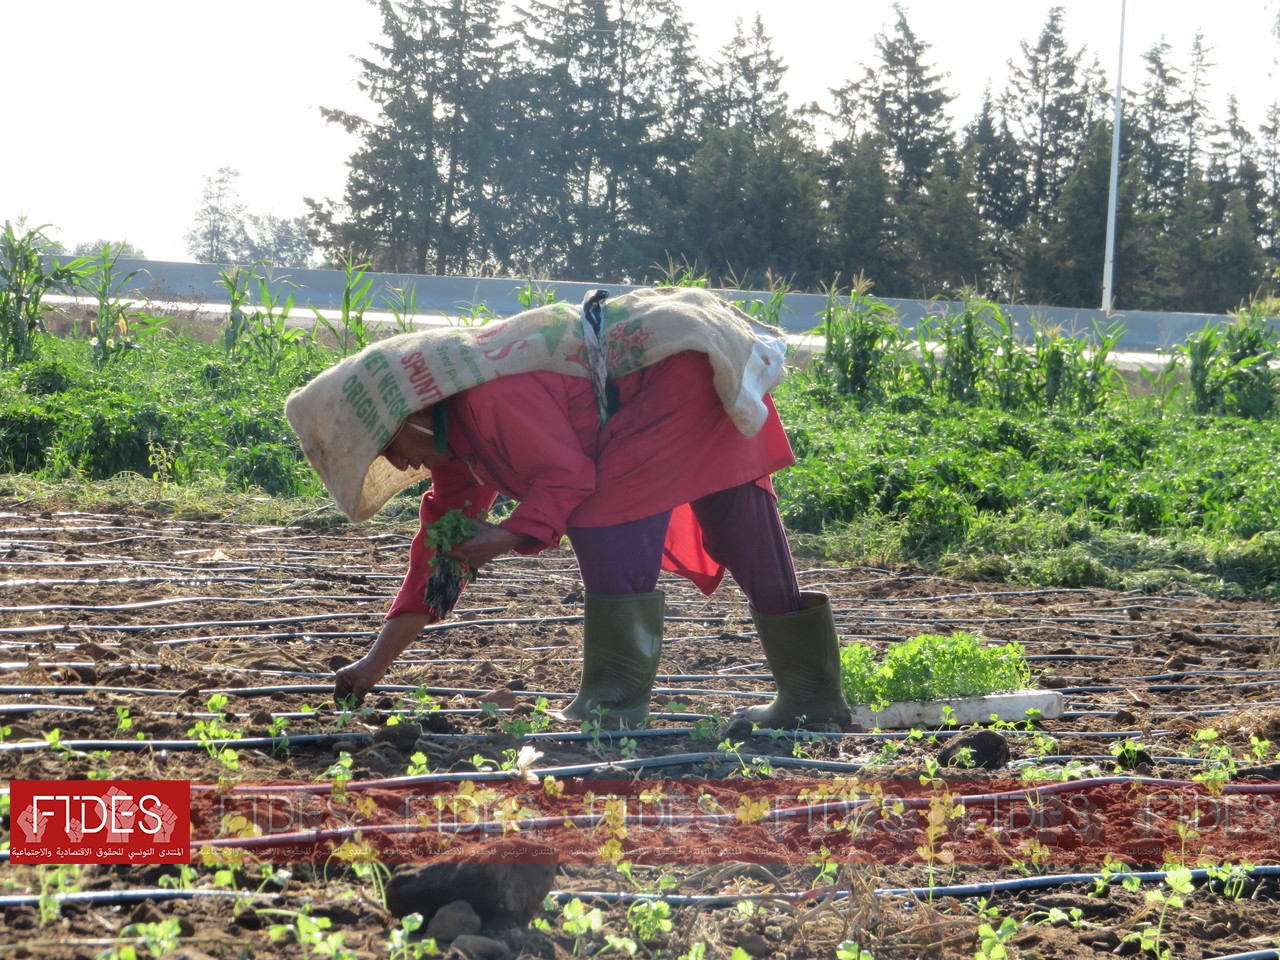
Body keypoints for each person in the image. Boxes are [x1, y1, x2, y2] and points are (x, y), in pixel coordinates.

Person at [286, 287, 853, 729]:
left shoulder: (489, 399)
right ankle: (812, 696)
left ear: (408, 417)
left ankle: (613, 706)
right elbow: (437, 564)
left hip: (675, 370)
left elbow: (569, 477)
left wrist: (506, 536)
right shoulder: (455, 450)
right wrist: (371, 667)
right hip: (690, 366)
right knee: (735, 522)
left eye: (391, 449)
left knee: (608, 517)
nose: (403, 467)